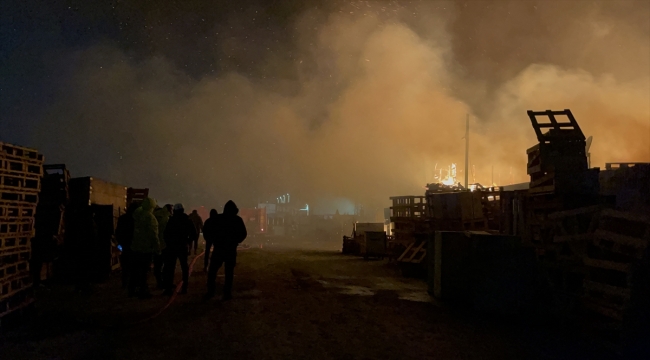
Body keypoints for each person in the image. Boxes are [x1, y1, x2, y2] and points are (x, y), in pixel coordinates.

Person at [206, 200, 247, 301]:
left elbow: (207, 230)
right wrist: (236, 241)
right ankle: (227, 293)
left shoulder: (217, 219)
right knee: (229, 273)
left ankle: (211, 292)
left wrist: (213, 240)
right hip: (230, 250)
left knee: (212, 271)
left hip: (218, 249)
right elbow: (243, 233)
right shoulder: (237, 220)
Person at [163, 203, 196, 295]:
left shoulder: (172, 220)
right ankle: (184, 287)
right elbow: (194, 233)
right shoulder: (187, 220)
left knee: (170, 268)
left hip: (172, 247)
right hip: (182, 246)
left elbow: (166, 234)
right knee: (184, 267)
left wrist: (168, 243)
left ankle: (168, 289)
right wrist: (188, 241)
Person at [130, 197, 160, 299]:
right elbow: (154, 235)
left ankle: (132, 289)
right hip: (145, 249)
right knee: (144, 272)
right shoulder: (151, 218)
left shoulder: (137, 214)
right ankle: (143, 291)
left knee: (135, 270)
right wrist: (157, 248)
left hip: (135, 247)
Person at [115, 202, 139, 289]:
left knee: (125, 267)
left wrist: (120, 243)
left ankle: (125, 284)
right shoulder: (137, 219)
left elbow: (118, 232)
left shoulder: (122, 218)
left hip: (125, 245)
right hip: (134, 245)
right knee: (134, 267)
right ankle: (133, 285)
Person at [153, 204, 172, 289]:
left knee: (157, 265)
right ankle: (166, 282)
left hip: (155, 244)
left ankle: (159, 282)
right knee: (167, 265)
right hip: (165, 244)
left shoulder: (154, 216)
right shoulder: (167, 218)